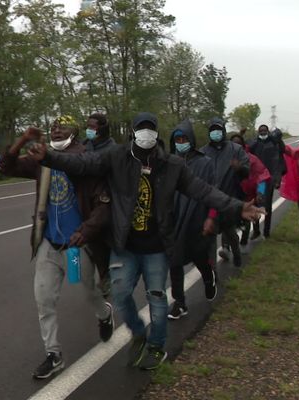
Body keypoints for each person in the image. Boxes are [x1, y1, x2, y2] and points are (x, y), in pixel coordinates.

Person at [27, 112, 265, 370]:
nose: (146, 133)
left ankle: (156, 346)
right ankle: (139, 332)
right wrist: (49, 157)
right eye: (141, 128)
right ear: (133, 132)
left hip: (157, 247)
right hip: (125, 246)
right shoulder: (116, 157)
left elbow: (203, 190)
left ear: (157, 133)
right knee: (119, 295)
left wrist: (238, 207)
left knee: (157, 299)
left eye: (150, 128)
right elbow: (83, 164)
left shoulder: (172, 165)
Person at [0, 115, 114, 379]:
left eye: (63, 127)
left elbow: (103, 206)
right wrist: (23, 139)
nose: (57, 130)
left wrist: (85, 231)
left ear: (75, 131)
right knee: (44, 300)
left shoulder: (86, 160)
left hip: (75, 249)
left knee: (88, 291)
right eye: (53, 128)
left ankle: (104, 314)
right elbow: (6, 166)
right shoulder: (42, 159)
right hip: (50, 246)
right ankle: (54, 354)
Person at [167, 120, 218, 320]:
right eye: (177, 139)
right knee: (174, 262)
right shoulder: (169, 162)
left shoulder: (205, 163)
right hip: (174, 219)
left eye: (184, 139)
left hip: (198, 219)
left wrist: (211, 218)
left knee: (199, 257)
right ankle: (179, 303)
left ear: (191, 140)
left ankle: (208, 277)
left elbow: (213, 192)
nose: (180, 142)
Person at [201, 118, 250, 267]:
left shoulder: (235, 149)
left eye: (218, 130)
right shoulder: (203, 152)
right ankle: (211, 273)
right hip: (209, 201)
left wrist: (239, 168)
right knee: (209, 236)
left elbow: (247, 172)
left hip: (229, 199)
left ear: (223, 131)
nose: (215, 133)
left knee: (230, 232)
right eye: (212, 130)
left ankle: (236, 256)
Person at [82, 113, 116, 297]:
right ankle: (99, 275)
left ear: (102, 129)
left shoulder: (112, 149)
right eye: (88, 126)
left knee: (103, 241)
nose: (89, 130)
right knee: (90, 242)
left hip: (105, 200)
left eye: (93, 127)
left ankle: (106, 276)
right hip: (86, 200)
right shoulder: (84, 145)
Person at [230, 134, 271, 249]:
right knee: (228, 220)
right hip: (230, 194)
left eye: (238, 144)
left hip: (248, 195)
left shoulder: (252, 159)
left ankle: (243, 242)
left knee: (247, 219)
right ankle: (225, 247)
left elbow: (262, 175)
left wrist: (260, 192)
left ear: (243, 146)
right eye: (233, 144)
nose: (236, 146)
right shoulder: (225, 159)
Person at [248, 124, 281, 239]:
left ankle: (266, 232)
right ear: (258, 132)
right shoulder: (254, 144)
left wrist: (277, 179)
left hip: (268, 179)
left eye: (265, 131)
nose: (263, 132)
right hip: (257, 180)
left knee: (267, 206)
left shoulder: (273, 144)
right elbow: (245, 151)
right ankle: (256, 230)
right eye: (261, 131)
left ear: (268, 131)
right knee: (255, 204)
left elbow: (278, 162)